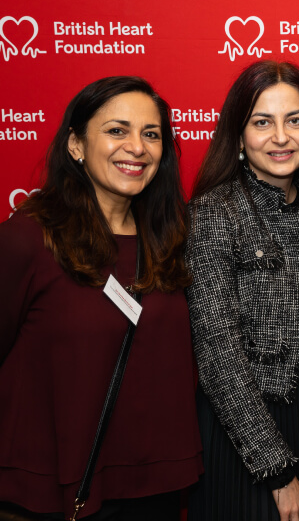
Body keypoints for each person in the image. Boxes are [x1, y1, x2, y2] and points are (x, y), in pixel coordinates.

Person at [0, 76, 202, 519]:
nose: (137, 147)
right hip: (51, 493)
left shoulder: (170, 239)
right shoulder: (27, 240)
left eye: (151, 134)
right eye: (117, 130)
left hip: (155, 489)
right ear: (76, 145)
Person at [185, 61, 299, 521]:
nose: (281, 137)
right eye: (262, 122)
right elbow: (218, 354)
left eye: (295, 120)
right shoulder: (215, 212)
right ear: (239, 135)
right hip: (246, 419)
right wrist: (277, 472)